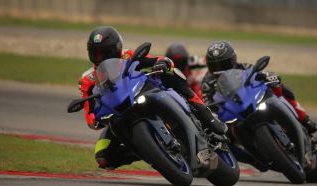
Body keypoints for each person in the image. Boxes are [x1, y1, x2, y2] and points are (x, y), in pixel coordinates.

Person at [78, 26, 228, 169]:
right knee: (103, 156)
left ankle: (207, 116)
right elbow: (89, 110)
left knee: (172, 73)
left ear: (117, 48)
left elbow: (154, 59)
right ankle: (154, 153)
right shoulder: (87, 79)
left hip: (142, 92)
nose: (101, 57)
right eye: (96, 53)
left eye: (105, 52)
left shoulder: (128, 56)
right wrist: (96, 120)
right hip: (117, 113)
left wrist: (162, 62)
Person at [201, 41, 317, 135]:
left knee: (281, 88)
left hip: (250, 99)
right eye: (215, 65)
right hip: (232, 113)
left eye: (223, 64)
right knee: (223, 136)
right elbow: (207, 103)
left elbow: (259, 73)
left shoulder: (242, 66)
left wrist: (269, 77)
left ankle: (305, 119)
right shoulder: (207, 82)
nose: (220, 68)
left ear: (232, 60)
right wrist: (213, 113)